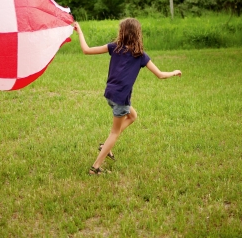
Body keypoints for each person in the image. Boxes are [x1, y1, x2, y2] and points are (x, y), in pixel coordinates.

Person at [73, 18, 182, 175]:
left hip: (110, 94)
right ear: (137, 34)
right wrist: (174, 72)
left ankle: (105, 147)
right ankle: (95, 167)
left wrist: (80, 31)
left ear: (122, 32)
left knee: (133, 116)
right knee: (114, 133)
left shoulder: (115, 48)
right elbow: (160, 75)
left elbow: (86, 50)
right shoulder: (140, 55)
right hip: (121, 99)